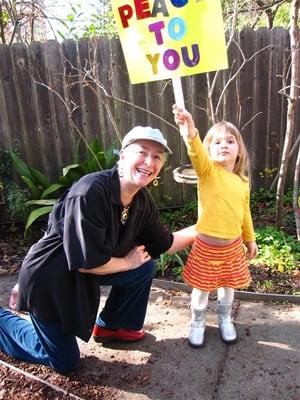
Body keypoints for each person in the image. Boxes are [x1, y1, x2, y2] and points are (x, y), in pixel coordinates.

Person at [0, 126, 196, 373]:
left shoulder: (141, 200)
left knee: (144, 265)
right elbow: (87, 262)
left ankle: (112, 326)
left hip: (89, 271)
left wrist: (206, 228)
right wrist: (127, 262)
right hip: (52, 283)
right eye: (143, 152)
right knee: (65, 361)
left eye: (157, 156)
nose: (149, 161)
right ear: (123, 156)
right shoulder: (90, 191)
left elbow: (165, 243)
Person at [172, 105, 258, 348]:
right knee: (201, 287)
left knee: (228, 284)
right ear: (209, 150)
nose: (224, 145)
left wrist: (249, 239)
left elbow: (245, 213)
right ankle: (197, 320)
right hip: (206, 247)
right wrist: (189, 128)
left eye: (230, 141)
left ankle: (224, 318)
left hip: (232, 247)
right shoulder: (207, 172)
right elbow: (195, 150)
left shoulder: (242, 182)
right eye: (217, 142)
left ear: (239, 150)